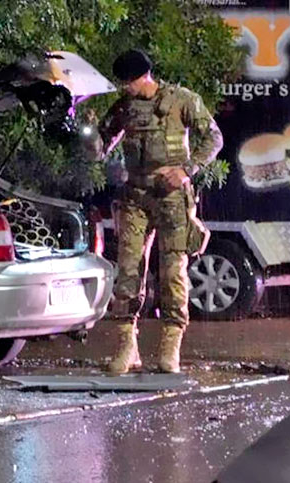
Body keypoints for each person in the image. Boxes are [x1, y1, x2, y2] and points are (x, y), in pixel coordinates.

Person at [86, 49, 223, 373]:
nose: (124, 88)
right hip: (135, 196)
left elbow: (214, 138)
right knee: (128, 270)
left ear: (142, 77)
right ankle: (126, 346)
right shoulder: (125, 107)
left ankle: (169, 348)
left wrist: (187, 169)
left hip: (172, 195)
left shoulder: (182, 100)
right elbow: (100, 149)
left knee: (173, 271)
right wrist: (90, 133)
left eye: (127, 82)